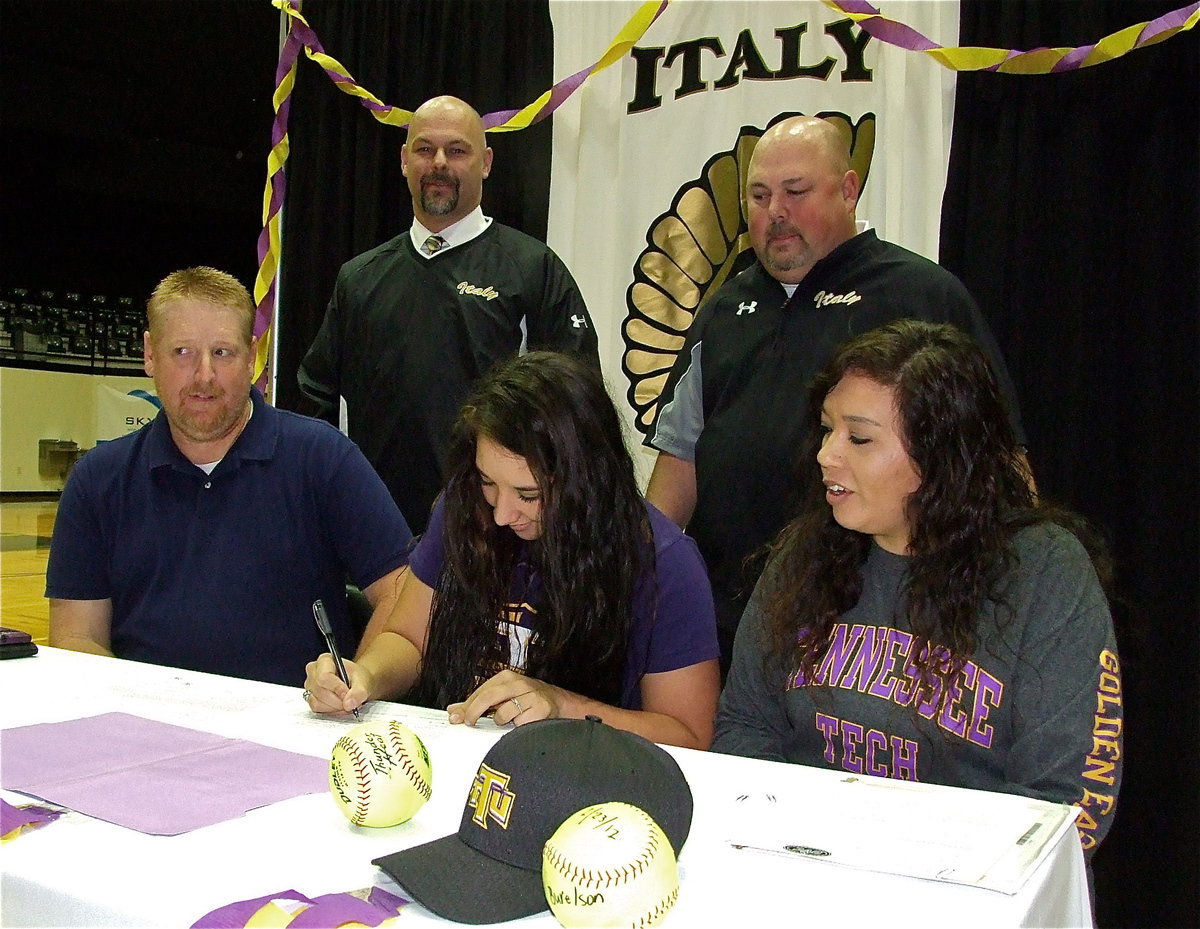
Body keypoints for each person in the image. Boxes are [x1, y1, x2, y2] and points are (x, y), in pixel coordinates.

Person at [712, 319, 1121, 858]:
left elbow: (1070, 803)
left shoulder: (1045, 573)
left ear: (939, 456)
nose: (825, 455)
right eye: (826, 428)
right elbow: (744, 729)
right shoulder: (805, 556)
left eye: (858, 438)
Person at [645, 115, 1027, 676]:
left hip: (871, 625)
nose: (776, 212)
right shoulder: (725, 309)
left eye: (796, 192)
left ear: (848, 189)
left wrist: (1020, 592)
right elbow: (681, 458)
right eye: (758, 195)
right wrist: (640, 566)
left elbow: (1002, 459)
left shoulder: (919, 294)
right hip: (725, 618)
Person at [305, 352, 721, 750]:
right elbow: (409, 639)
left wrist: (565, 707)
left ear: (587, 482)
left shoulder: (666, 564)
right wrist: (365, 677)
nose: (502, 514)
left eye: (529, 494)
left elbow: (688, 735)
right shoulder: (467, 508)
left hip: (586, 783)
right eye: (488, 482)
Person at [46, 267, 413, 687]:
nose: (204, 376)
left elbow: (403, 596)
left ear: (252, 355)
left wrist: (362, 677)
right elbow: (75, 637)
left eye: (223, 353)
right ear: (149, 353)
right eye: (183, 352)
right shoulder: (97, 480)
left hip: (293, 731)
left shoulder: (324, 459)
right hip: (147, 731)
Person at [299, 95, 600, 534]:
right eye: (425, 149)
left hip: (494, 537)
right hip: (378, 542)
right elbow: (317, 404)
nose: (439, 163)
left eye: (457, 151)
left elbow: (576, 408)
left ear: (486, 162)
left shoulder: (532, 270)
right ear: (404, 161)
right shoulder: (359, 278)